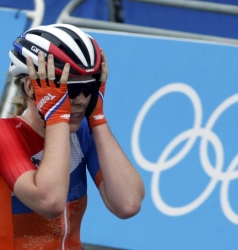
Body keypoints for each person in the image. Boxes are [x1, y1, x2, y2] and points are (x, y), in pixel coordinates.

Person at [0, 23, 145, 249]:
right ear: (31, 88)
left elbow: (128, 203)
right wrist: (57, 116)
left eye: (90, 88)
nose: (82, 100)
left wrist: (97, 118)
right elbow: (50, 201)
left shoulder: (82, 133)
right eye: (70, 90)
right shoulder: (4, 134)